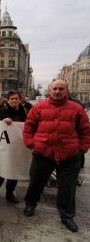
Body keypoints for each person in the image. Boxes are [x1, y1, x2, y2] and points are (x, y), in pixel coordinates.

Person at [22, 80, 90, 232]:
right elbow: (28, 127)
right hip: (43, 152)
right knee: (36, 181)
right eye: (55, 88)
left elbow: (85, 131)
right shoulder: (38, 107)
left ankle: (67, 216)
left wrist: (81, 149)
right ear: (50, 90)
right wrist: (32, 145)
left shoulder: (77, 109)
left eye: (61, 88)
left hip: (69, 155)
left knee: (68, 187)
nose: (57, 91)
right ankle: (30, 204)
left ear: (67, 91)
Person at [0, 90, 27, 203]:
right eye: (12, 99)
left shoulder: (23, 111)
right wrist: (3, 121)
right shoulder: (2, 110)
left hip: (17, 146)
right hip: (4, 145)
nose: (14, 101)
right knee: (2, 168)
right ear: (8, 99)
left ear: (20, 99)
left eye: (16, 99)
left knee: (14, 170)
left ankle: (9, 192)